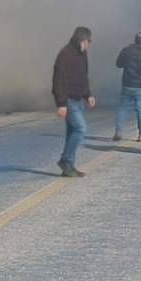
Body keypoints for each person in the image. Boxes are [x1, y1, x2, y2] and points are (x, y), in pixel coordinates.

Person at [53, 27, 95, 178]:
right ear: (82, 40)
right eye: (88, 41)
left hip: (78, 100)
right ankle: (65, 160)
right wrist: (61, 103)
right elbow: (58, 81)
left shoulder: (82, 54)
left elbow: (83, 76)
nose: (89, 44)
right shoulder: (65, 54)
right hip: (69, 100)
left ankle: (69, 166)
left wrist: (88, 95)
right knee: (80, 129)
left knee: (72, 132)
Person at [113, 32, 141, 142]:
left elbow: (118, 64)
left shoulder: (126, 51)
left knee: (122, 109)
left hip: (127, 84)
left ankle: (118, 132)